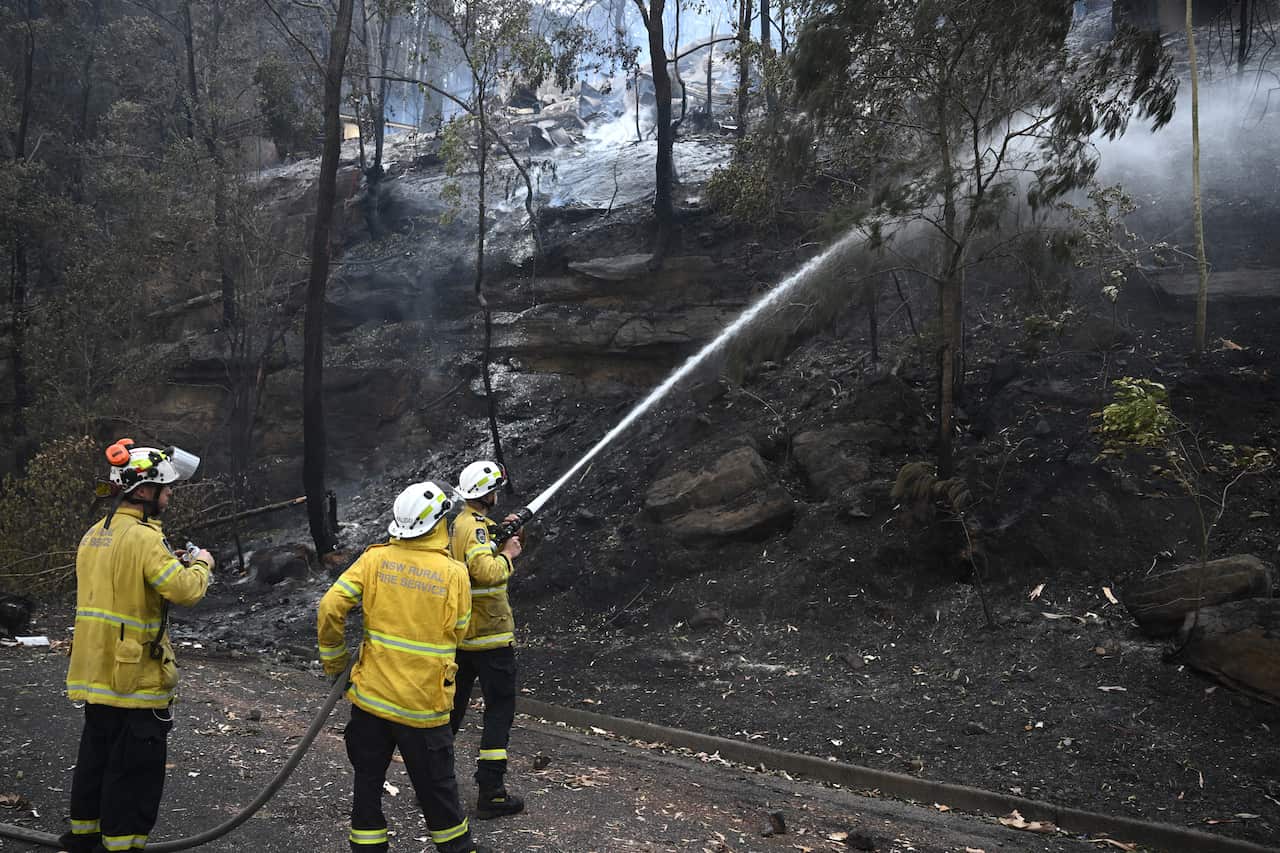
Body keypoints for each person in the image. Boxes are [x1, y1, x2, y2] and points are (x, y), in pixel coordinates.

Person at [61, 440, 215, 853]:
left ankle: (83, 837)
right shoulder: (146, 539)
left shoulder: (95, 534)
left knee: (96, 760)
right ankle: (121, 846)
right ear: (144, 491)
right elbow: (183, 590)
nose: (169, 496)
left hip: (96, 673)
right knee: (133, 774)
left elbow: (124, 588)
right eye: (165, 489)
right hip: (134, 678)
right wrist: (202, 564)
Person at [318, 482, 489, 853]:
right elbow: (459, 630)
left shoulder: (374, 558)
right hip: (422, 708)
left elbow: (330, 607)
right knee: (437, 792)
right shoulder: (454, 573)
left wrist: (334, 663)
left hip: (370, 702)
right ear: (439, 523)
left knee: (366, 784)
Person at [449, 460, 524, 820]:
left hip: (462, 638)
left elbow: (470, 558)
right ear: (488, 493)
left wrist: (500, 532)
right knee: (499, 710)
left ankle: (435, 786)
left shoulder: (460, 524)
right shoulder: (476, 529)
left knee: (452, 712)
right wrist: (508, 555)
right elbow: (484, 572)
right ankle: (491, 792)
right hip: (490, 637)